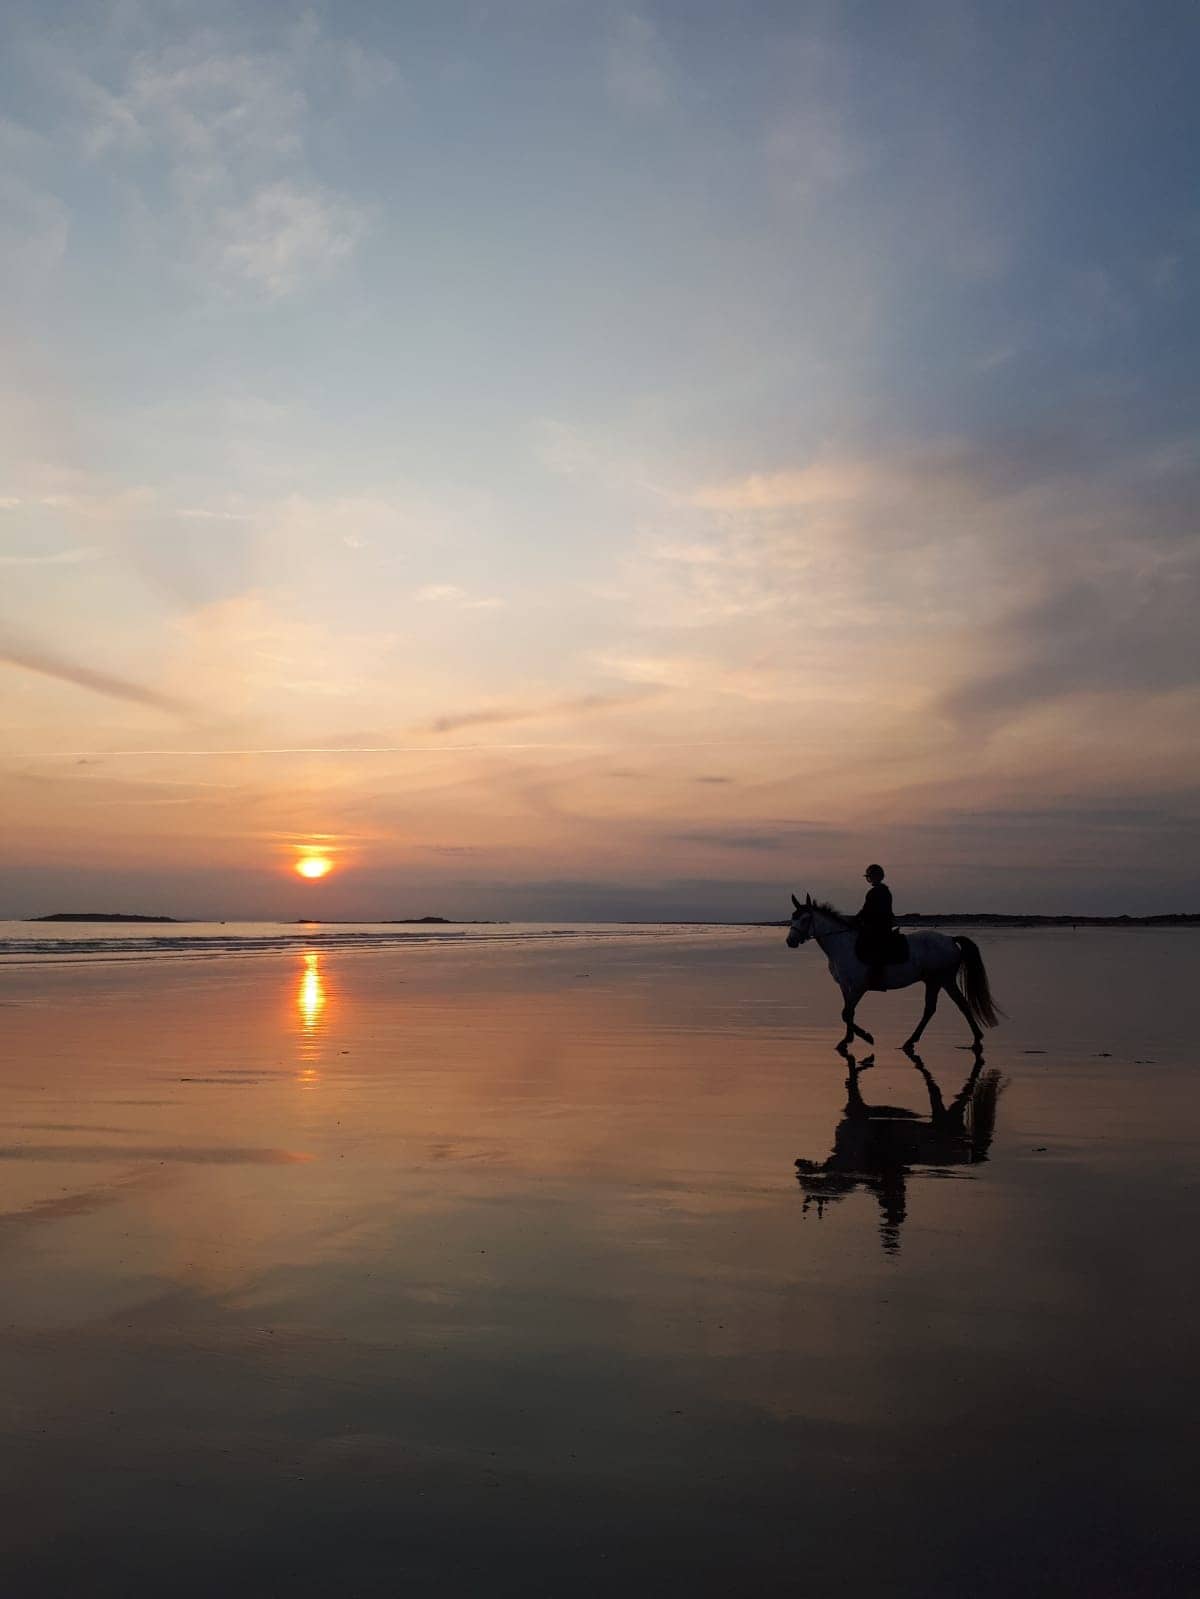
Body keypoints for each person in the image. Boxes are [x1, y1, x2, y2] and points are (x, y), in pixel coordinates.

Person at [852, 864, 894, 991]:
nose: (869, 879)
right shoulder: (884, 890)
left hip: (879, 926)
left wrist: (856, 920)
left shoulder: (876, 892)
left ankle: (876, 977)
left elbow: (867, 911)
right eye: (869, 877)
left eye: (870, 877)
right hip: (883, 924)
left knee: (870, 946)